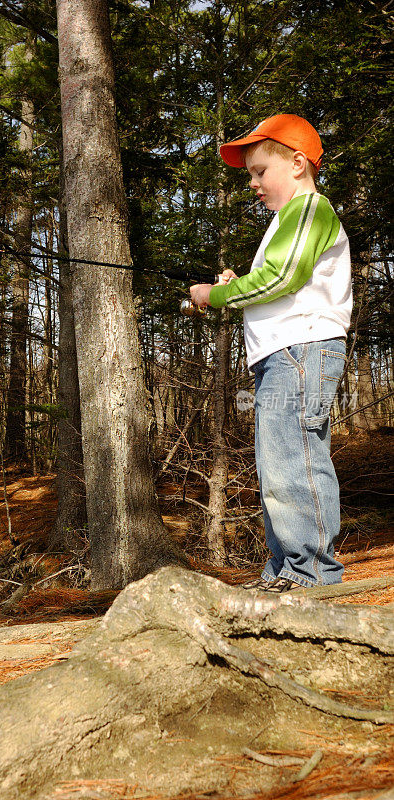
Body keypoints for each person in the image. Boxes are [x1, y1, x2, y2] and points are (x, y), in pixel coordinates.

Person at [190, 114, 352, 592]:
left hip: (301, 351)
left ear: (298, 163)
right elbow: (278, 281)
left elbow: (283, 278)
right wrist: (236, 286)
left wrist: (215, 295)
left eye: (260, 170)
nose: (254, 183)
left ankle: (312, 573)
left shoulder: (308, 209)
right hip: (281, 356)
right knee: (276, 463)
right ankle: (284, 570)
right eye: (251, 176)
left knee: (295, 458)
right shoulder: (289, 221)